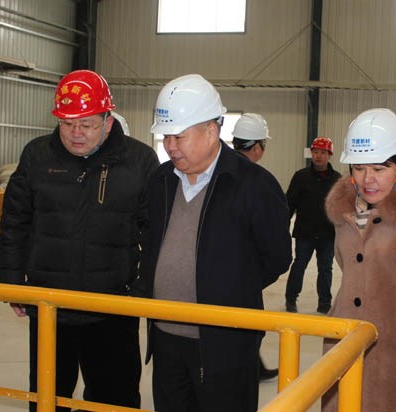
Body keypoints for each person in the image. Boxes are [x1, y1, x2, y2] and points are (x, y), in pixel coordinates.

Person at [0, 69, 160, 411]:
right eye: (67, 123)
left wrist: (141, 292)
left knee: (113, 401)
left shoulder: (139, 161)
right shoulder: (37, 156)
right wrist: (12, 283)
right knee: (47, 399)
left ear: (108, 122)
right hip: (49, 308)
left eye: (86, 124)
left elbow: (156, 234)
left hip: (113, 310)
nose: (75, 134)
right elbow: (15, 222)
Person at [136, 74, 292, 412]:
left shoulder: (253, 184)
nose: (170, 146)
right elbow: (149, 241)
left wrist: (229, 287)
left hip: (226, 342)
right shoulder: (161, 181)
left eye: (179, 136)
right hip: (165, 337)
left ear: (211, 131)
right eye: (166, 136)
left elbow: (278, 256)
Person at [321, 108, 396, 412]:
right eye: (359, 168)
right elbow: (347, 265)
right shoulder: (344, 211)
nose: (368, 179)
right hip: (344, 339)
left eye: (379, 168)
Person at [231, 112, 279, 382]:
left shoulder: (212, 171)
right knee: (247, 327)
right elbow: (276, 251)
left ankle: (254, 367)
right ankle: (249, 371)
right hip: (243, 277)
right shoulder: (260, 181)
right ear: (258, 147)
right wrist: (253, 280)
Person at [285, 137, 341, 314]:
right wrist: (283, 226)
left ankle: (324, 303)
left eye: (323, 152)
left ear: (329, 155)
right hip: (305, 232)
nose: (318, 156)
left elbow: (341, 208)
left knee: (325, 269)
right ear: (311, 153)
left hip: (327, 234)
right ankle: (291, 299)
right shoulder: (301, 177)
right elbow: (289, 203)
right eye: (316, 152)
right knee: (299, 265)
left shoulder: (337, 180)